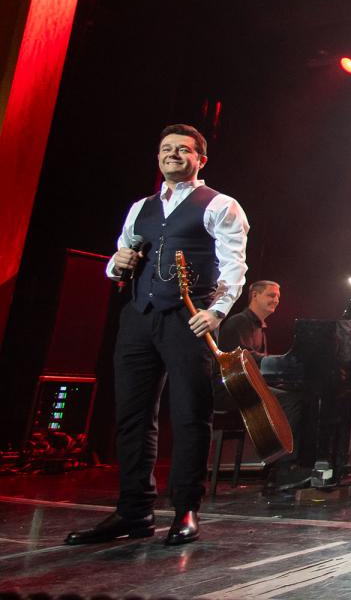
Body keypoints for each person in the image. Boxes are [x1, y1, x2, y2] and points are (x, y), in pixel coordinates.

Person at [65, 124, 249, 547]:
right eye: (167, 149)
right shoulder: (141, 208)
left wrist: (217, 311)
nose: (173, 155)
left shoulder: (220, 205)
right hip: (139, 317)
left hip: (188, 319)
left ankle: (186, 509)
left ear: (200, 159)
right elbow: (120, 256)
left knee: (189, 414)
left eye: (183, 150)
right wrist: (117, 263)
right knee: (132, 416)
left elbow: (234, 265)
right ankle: (134, 511)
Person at [215, 280, 309, 498]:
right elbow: (241, 360)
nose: (276, 300)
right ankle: (281, 469)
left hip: (244, 386)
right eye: (270, 295)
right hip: (228, 388)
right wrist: (279, 363)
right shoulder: (238, 322)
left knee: (295, 396)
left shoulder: (259, 328)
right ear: (254, 296)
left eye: (278, 297)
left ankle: (280, 465)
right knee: (289, 400)